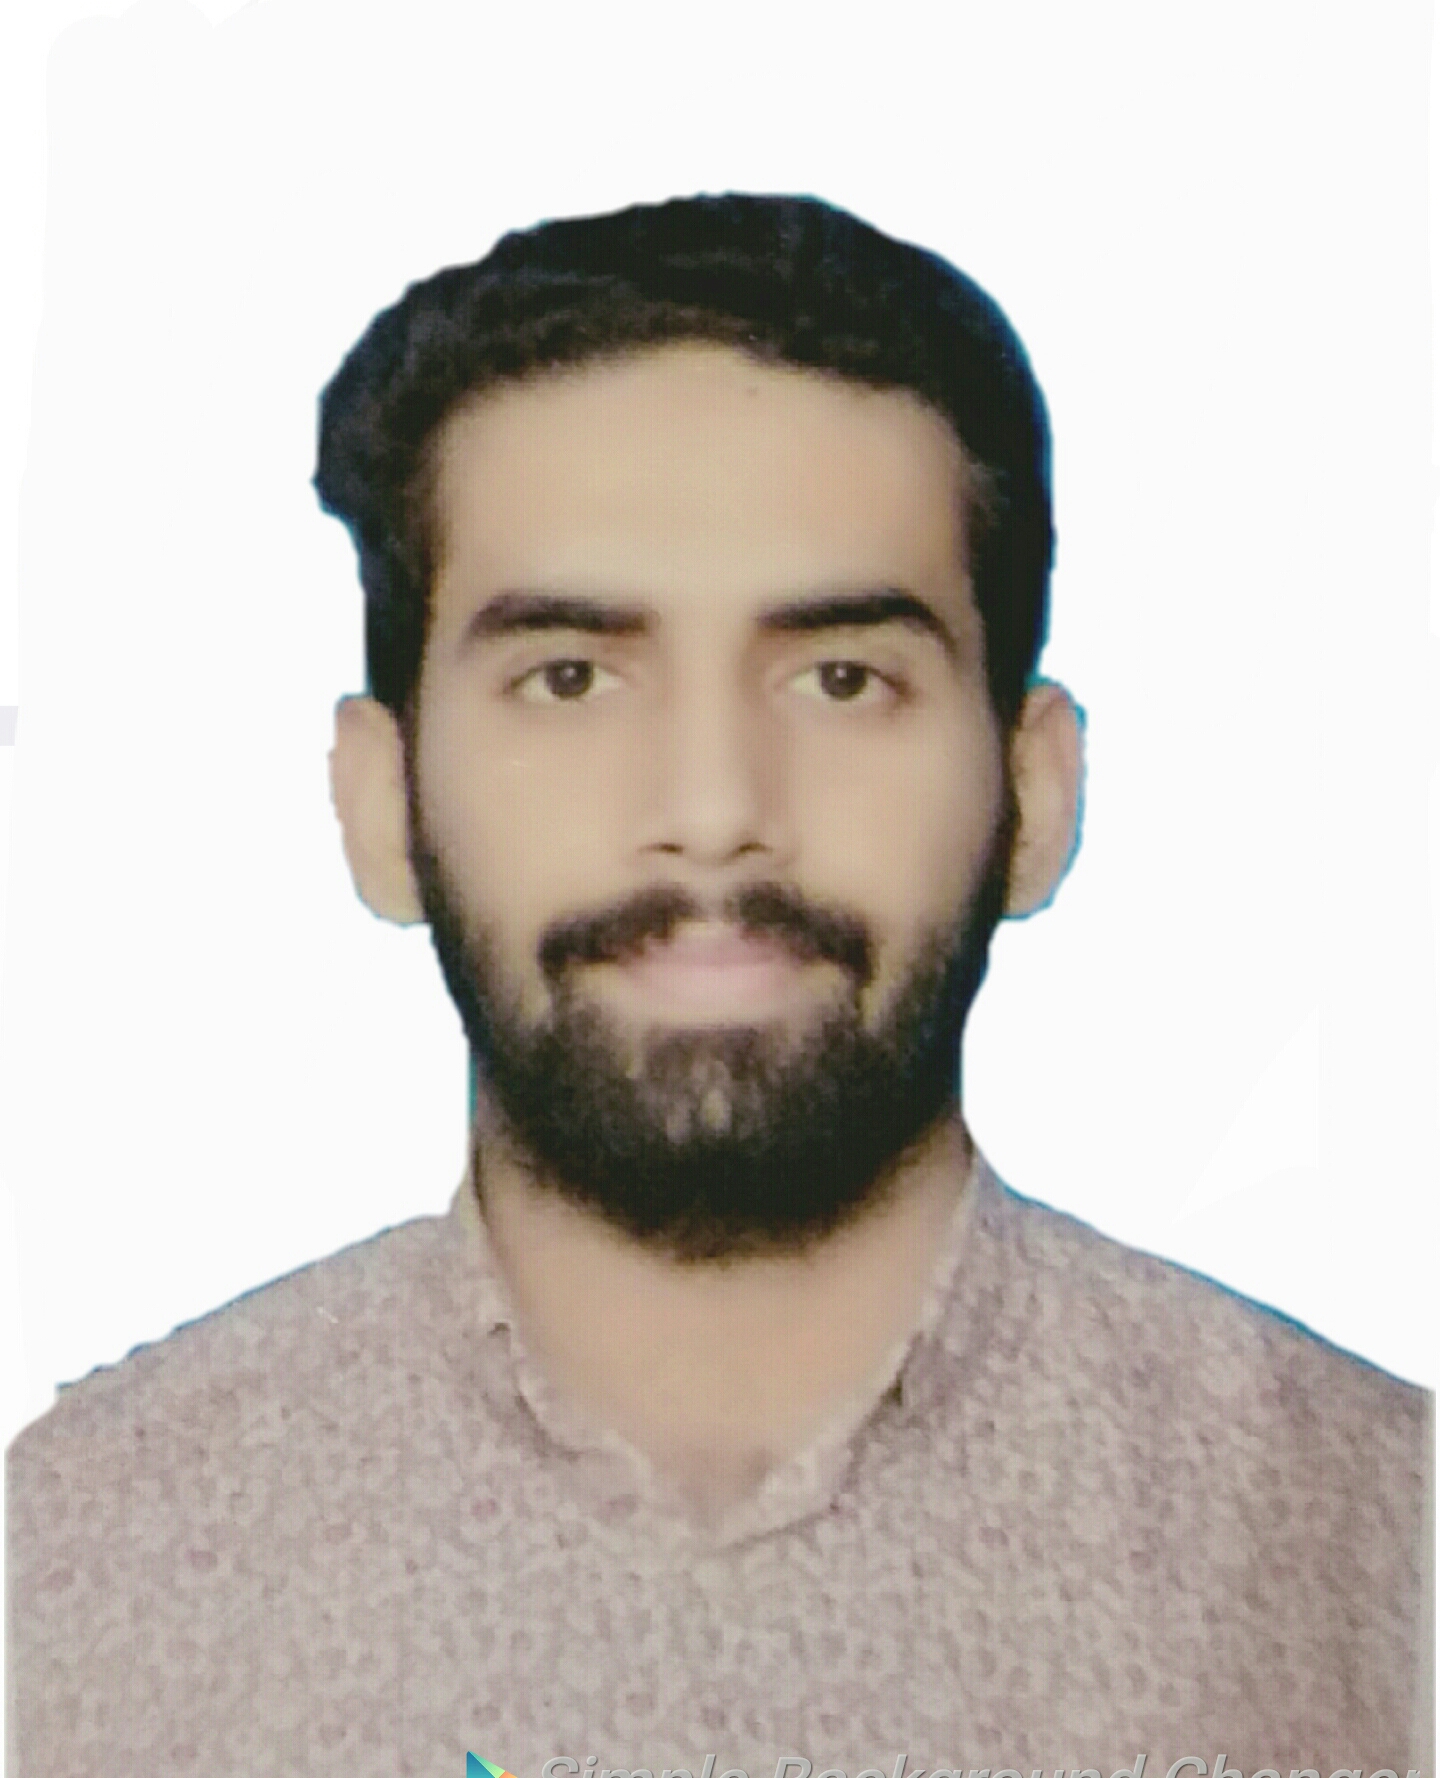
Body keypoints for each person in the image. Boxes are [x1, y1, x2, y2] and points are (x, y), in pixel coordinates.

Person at [6, 193, 1430, 1778]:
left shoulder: (1384, 1553)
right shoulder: (68, 1574)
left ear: (1035, 794)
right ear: (379, 802)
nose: (710, 806)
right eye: (569, 677)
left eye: (841, 678)